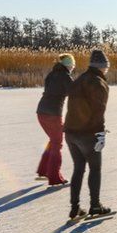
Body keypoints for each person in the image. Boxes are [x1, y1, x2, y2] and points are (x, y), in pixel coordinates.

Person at [64, 50, 112, 219]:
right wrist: (100, 134)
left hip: (70, 132)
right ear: (102, 67)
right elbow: (99, 111)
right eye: (106, 67)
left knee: (78, 169)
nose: (107, 70)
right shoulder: (98, 83)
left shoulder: (78, 80)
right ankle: (95, 205)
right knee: (95, 168)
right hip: (87, 134)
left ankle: (75, 208)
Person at [35, 54, 75, 187]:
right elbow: (74, 92)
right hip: (53, 114)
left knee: (54, 141)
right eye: (72, 65)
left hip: (41, 112)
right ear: (68, 65)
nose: (73, 68)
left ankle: (43, 170)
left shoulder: (51, 75)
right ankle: (54, 177)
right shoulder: (65, 76)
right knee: (57, 143)